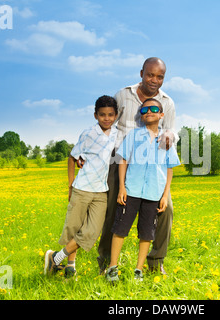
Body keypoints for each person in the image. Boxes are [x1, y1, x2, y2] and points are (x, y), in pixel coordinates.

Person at [96, 57, 178, 275]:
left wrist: (170, 134)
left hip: (152, 166)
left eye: (159, 77)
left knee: (166, 209)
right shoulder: (123, 95)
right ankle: (106, 261)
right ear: (141, 73)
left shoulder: (167, 103)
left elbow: (170, 131)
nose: (154, 80)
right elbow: (106, 122)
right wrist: (90, 150)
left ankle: (155, 261)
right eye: (150, 75)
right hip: (120, 159)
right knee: (114, 208)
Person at [105, 98, 180, 282]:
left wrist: (164, 195)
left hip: (153, 193)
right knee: (120, 229)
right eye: (144, 110)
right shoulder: (134, 135)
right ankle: (112, 268)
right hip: (131, 190)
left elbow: (169, 168)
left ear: (161, 114)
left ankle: (139, 270)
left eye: (154, 109)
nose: (148, 112)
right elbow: (123, 160)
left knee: (147, 233)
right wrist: (122, 187)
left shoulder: (166, 139)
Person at [44, 95, 118, 278]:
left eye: (110, 114)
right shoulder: (88, 133)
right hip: (82, 188)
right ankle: (70, 266)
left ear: (116, 115)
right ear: (95, 115)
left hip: (101, 191)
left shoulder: (118, 134)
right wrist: (70, 185)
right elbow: (72, 157)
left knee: (91, 231)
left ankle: (55, 257)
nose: (106, 118)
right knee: (74, 227)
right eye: (102, 115)